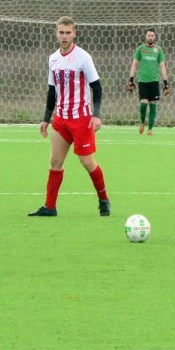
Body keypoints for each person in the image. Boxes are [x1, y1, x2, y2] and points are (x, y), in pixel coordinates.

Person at [29, 17, 110, 217]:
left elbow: (97, 87)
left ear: (74, 33)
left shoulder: (83, 57)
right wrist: (46, 119)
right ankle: (50, 207)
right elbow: (51, 90)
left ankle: (104, 199)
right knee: (55, 162)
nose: (64, 36)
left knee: (88, 163)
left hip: (81, 120)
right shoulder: (53, 58)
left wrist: (96, 115)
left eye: (68, 32)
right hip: (61, 119)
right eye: (61, 32)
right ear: (56, 33)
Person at [127, 28, 170, 135]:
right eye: (149, 35)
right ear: (146, 37)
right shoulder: (140, 49)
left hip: (154, 81)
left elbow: (162, 67)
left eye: (152, 35)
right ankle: (142, 123)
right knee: (143, 104)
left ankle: (150, 129)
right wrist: (131, 80)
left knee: (153, 105)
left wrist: (166, 83)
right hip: (143, 81)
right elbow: (134, 64)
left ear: (155, 37)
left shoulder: (158, 50)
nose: (150, 37)